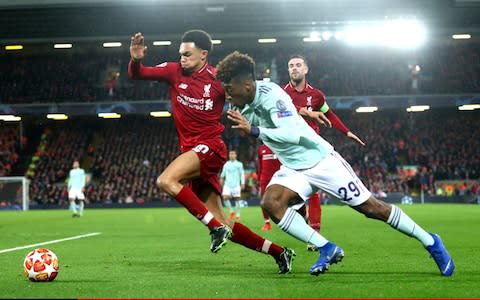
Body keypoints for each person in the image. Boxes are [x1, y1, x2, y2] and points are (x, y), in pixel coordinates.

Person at [216, 51, 454, 277]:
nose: (226, 94)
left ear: (246, 86)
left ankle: (431, 241)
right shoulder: (240, 102)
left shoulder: (271, 95)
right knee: (272, 203)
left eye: (229, 89)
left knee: (372, 208)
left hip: (320, 161)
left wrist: (254, 130)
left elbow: (292, 134)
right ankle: (327, 248)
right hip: (293, 168)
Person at [128, 31, 294, 273]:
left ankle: (214, 228)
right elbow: (138, 74)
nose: (182, 58)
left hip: (211, 147)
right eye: (180, 54)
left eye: (187, 54)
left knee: (166, 180)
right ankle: (280, 253)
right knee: (225, 221)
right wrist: (136, 59)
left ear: (203, 54)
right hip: (193, 153)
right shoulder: (174, 72)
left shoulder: (219, 81)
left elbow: (250, 97)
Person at [284, 54, 366, 251]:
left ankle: (315, 235)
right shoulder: (281, 94)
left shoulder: (317, 95)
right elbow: (286, 109)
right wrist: (306, 112)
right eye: (291, 66)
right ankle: (303, 216)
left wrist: (346, 132)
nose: (294, 68)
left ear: (306, 69)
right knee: (289, 197)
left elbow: (329, 114)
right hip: (290, 150)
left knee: (314, 193)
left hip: (312, 149)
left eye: (298, 65)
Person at [257, 143, 281, 231]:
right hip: (265, 179)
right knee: (263, 201)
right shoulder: (261, 148)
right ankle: (267, 223)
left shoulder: (279, 145)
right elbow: (260, 165)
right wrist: (259, 178)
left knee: (285, 201)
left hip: (278, 178)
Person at [220, 149, 245, 221]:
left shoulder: (239, 164)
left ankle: (238, 215)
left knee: (237, 199)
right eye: (230, 154)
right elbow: (222, 175)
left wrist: (242, 183)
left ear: (236, 155)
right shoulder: (226, 164)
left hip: (236, 184)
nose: (231, 155)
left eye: (233, 154)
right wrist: (221, 180)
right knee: (224, 197)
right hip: (227, 184)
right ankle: (231, 211)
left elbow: (242, 174)